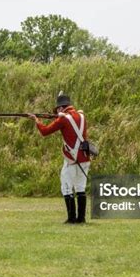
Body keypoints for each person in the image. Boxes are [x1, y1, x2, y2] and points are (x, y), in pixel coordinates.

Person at [28, 94, 90, 224]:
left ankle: (72, 218)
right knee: (80, 188)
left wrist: (37, 120)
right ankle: (81, 218)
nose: (56, 112)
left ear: (61, 108)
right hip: (84, 157)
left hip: (71, 158)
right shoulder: (82, 116)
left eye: (57, 109)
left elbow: (45, 131)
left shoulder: (63, 119)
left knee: (67, 187)